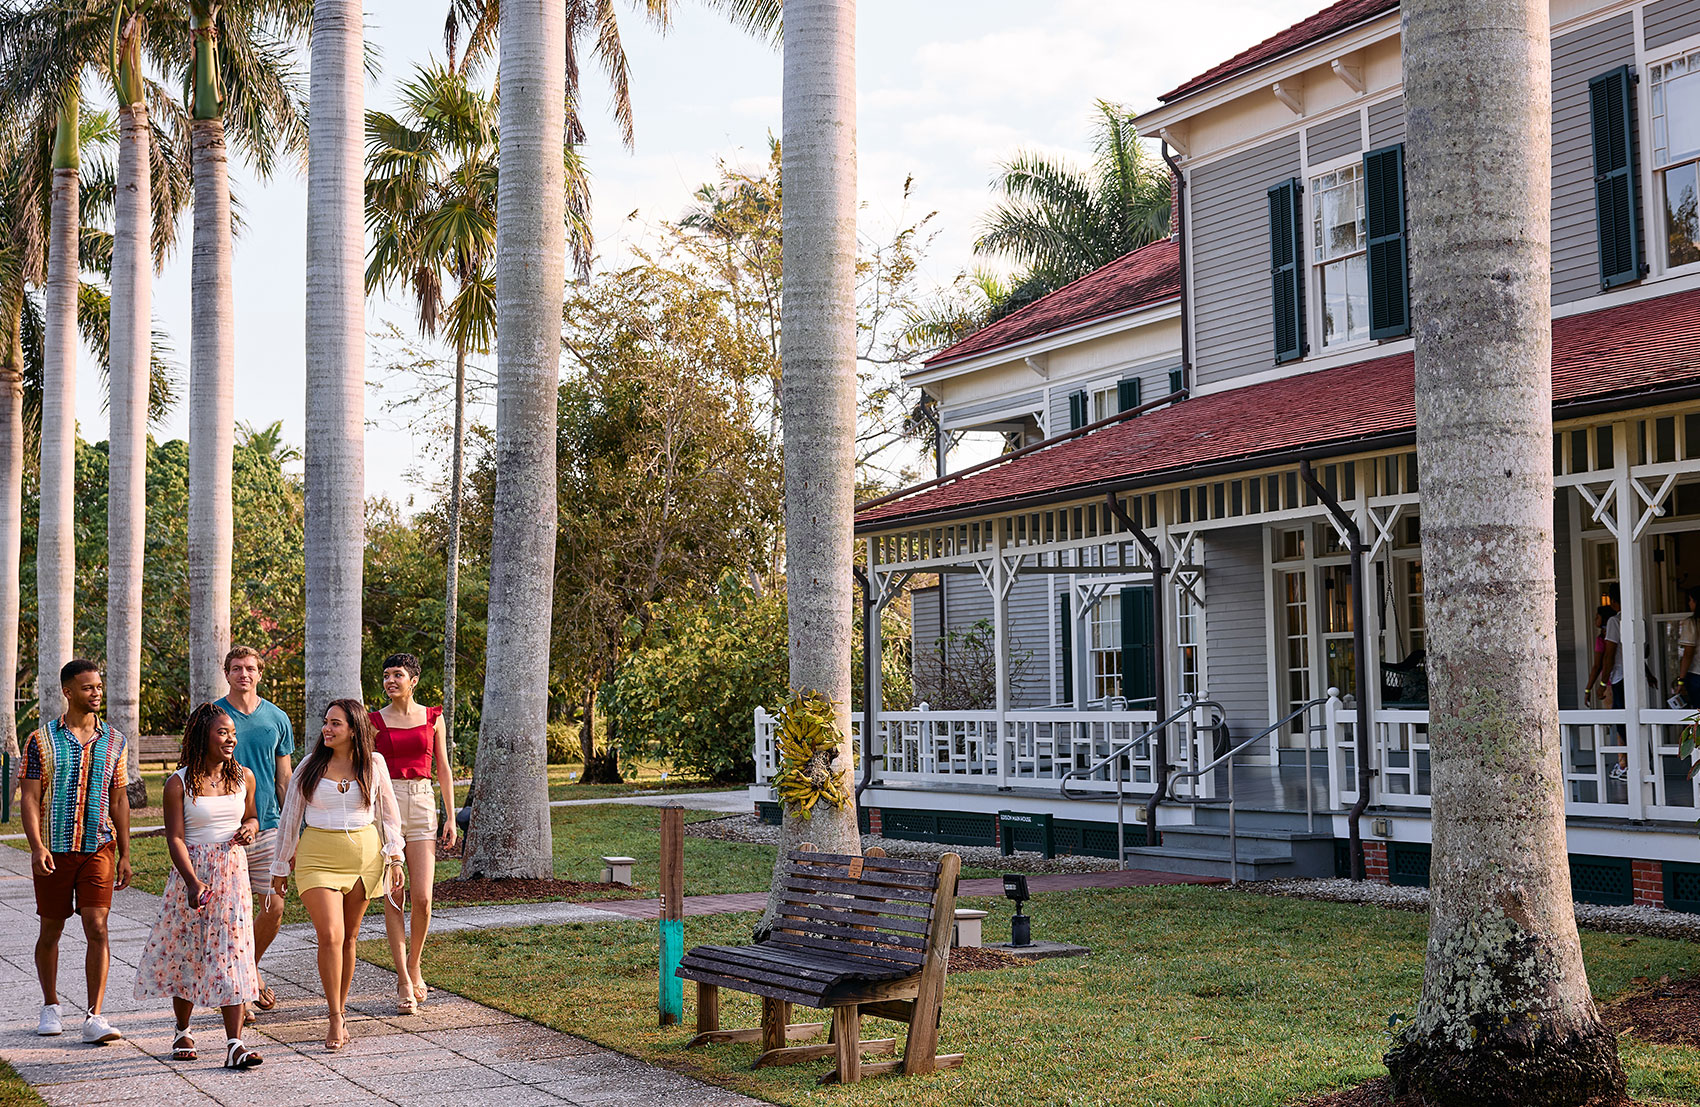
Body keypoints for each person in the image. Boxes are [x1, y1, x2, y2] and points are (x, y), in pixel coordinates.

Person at [133, 704, 264, 1069]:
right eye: (223, 732)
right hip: (192, 874)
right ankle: (182, 1029)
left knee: (233, 952)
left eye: (233, 733)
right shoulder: (178, 783)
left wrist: (250, 829)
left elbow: (253, 815)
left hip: (233, 874)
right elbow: (175, 838)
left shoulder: (244, 778)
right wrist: (192, 881)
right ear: (202, 735)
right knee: (186, 951)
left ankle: (235, 1043)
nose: (231, 739)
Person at [270, 699, 404, 1051]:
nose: (327, 729)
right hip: (317, 856)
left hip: (364, 857)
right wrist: (280, 866)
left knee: (349, 938)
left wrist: (395, 857)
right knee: (330, 934)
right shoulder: (309, 766)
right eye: (326, 722)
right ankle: (334, 1017)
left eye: (335, 724)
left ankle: (341, 1009)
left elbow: (389, 816)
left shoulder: (374, 764)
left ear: (354, 729)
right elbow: (290, 819)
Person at [20, 659, 132, 1043]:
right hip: (55, 850)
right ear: (68, 692)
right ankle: (50, 1005)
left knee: (97, 926)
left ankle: (94, 1016)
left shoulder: (116, 740)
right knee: (51, 928)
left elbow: (119, 801)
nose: (96, 692)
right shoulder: (40, 740)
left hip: (99, 847)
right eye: (88, 687)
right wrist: (37, 847)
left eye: (99, 686)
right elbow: (31, 798)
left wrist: (126, 854)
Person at [370, 653, 458, 1014]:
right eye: (387, 675)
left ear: (414, 680)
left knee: (422, 896)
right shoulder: (373, 721)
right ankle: (403, 979)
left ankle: (415, 963)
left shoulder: (432, 718)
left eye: (398, 675)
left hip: (423, 802)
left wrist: (451, 816)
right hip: (386, 803)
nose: (391, 681)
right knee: (395, 893)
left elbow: (444, 768)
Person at [215, 646, 294, 1019]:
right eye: (236, 668)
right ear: (227, 674)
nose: (243, 674)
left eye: (249, 668)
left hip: (268, 827)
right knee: (232, 914)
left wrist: (293, 828)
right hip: (224, 831)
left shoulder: (276, 717)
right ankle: (239, 990)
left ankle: (249, 969)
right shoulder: (213, 716)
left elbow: (284, 778)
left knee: (273, 907)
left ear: (259, 673)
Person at [1674, 587, 1700, 707]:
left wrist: (1681, 680)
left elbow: (1688, 653)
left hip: (1696, 674)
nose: (1689, 603)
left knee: (1697, 713)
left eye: (1690, 600)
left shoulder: (1691, 623)